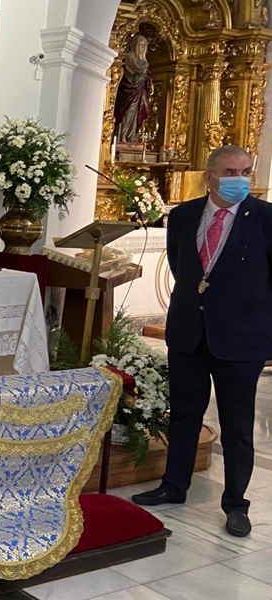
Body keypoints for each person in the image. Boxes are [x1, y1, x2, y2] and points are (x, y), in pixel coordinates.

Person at [132, 145, 272, 538]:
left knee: (237, 426)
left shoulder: (265, 219)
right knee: (184, 415)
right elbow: (181, 266)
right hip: (190, 333)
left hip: (241, 339)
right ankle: (174, 485)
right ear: (210, 176)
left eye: (246, 171)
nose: (239, 179)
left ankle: (236, 504)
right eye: (230, 171)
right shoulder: (183, 215)